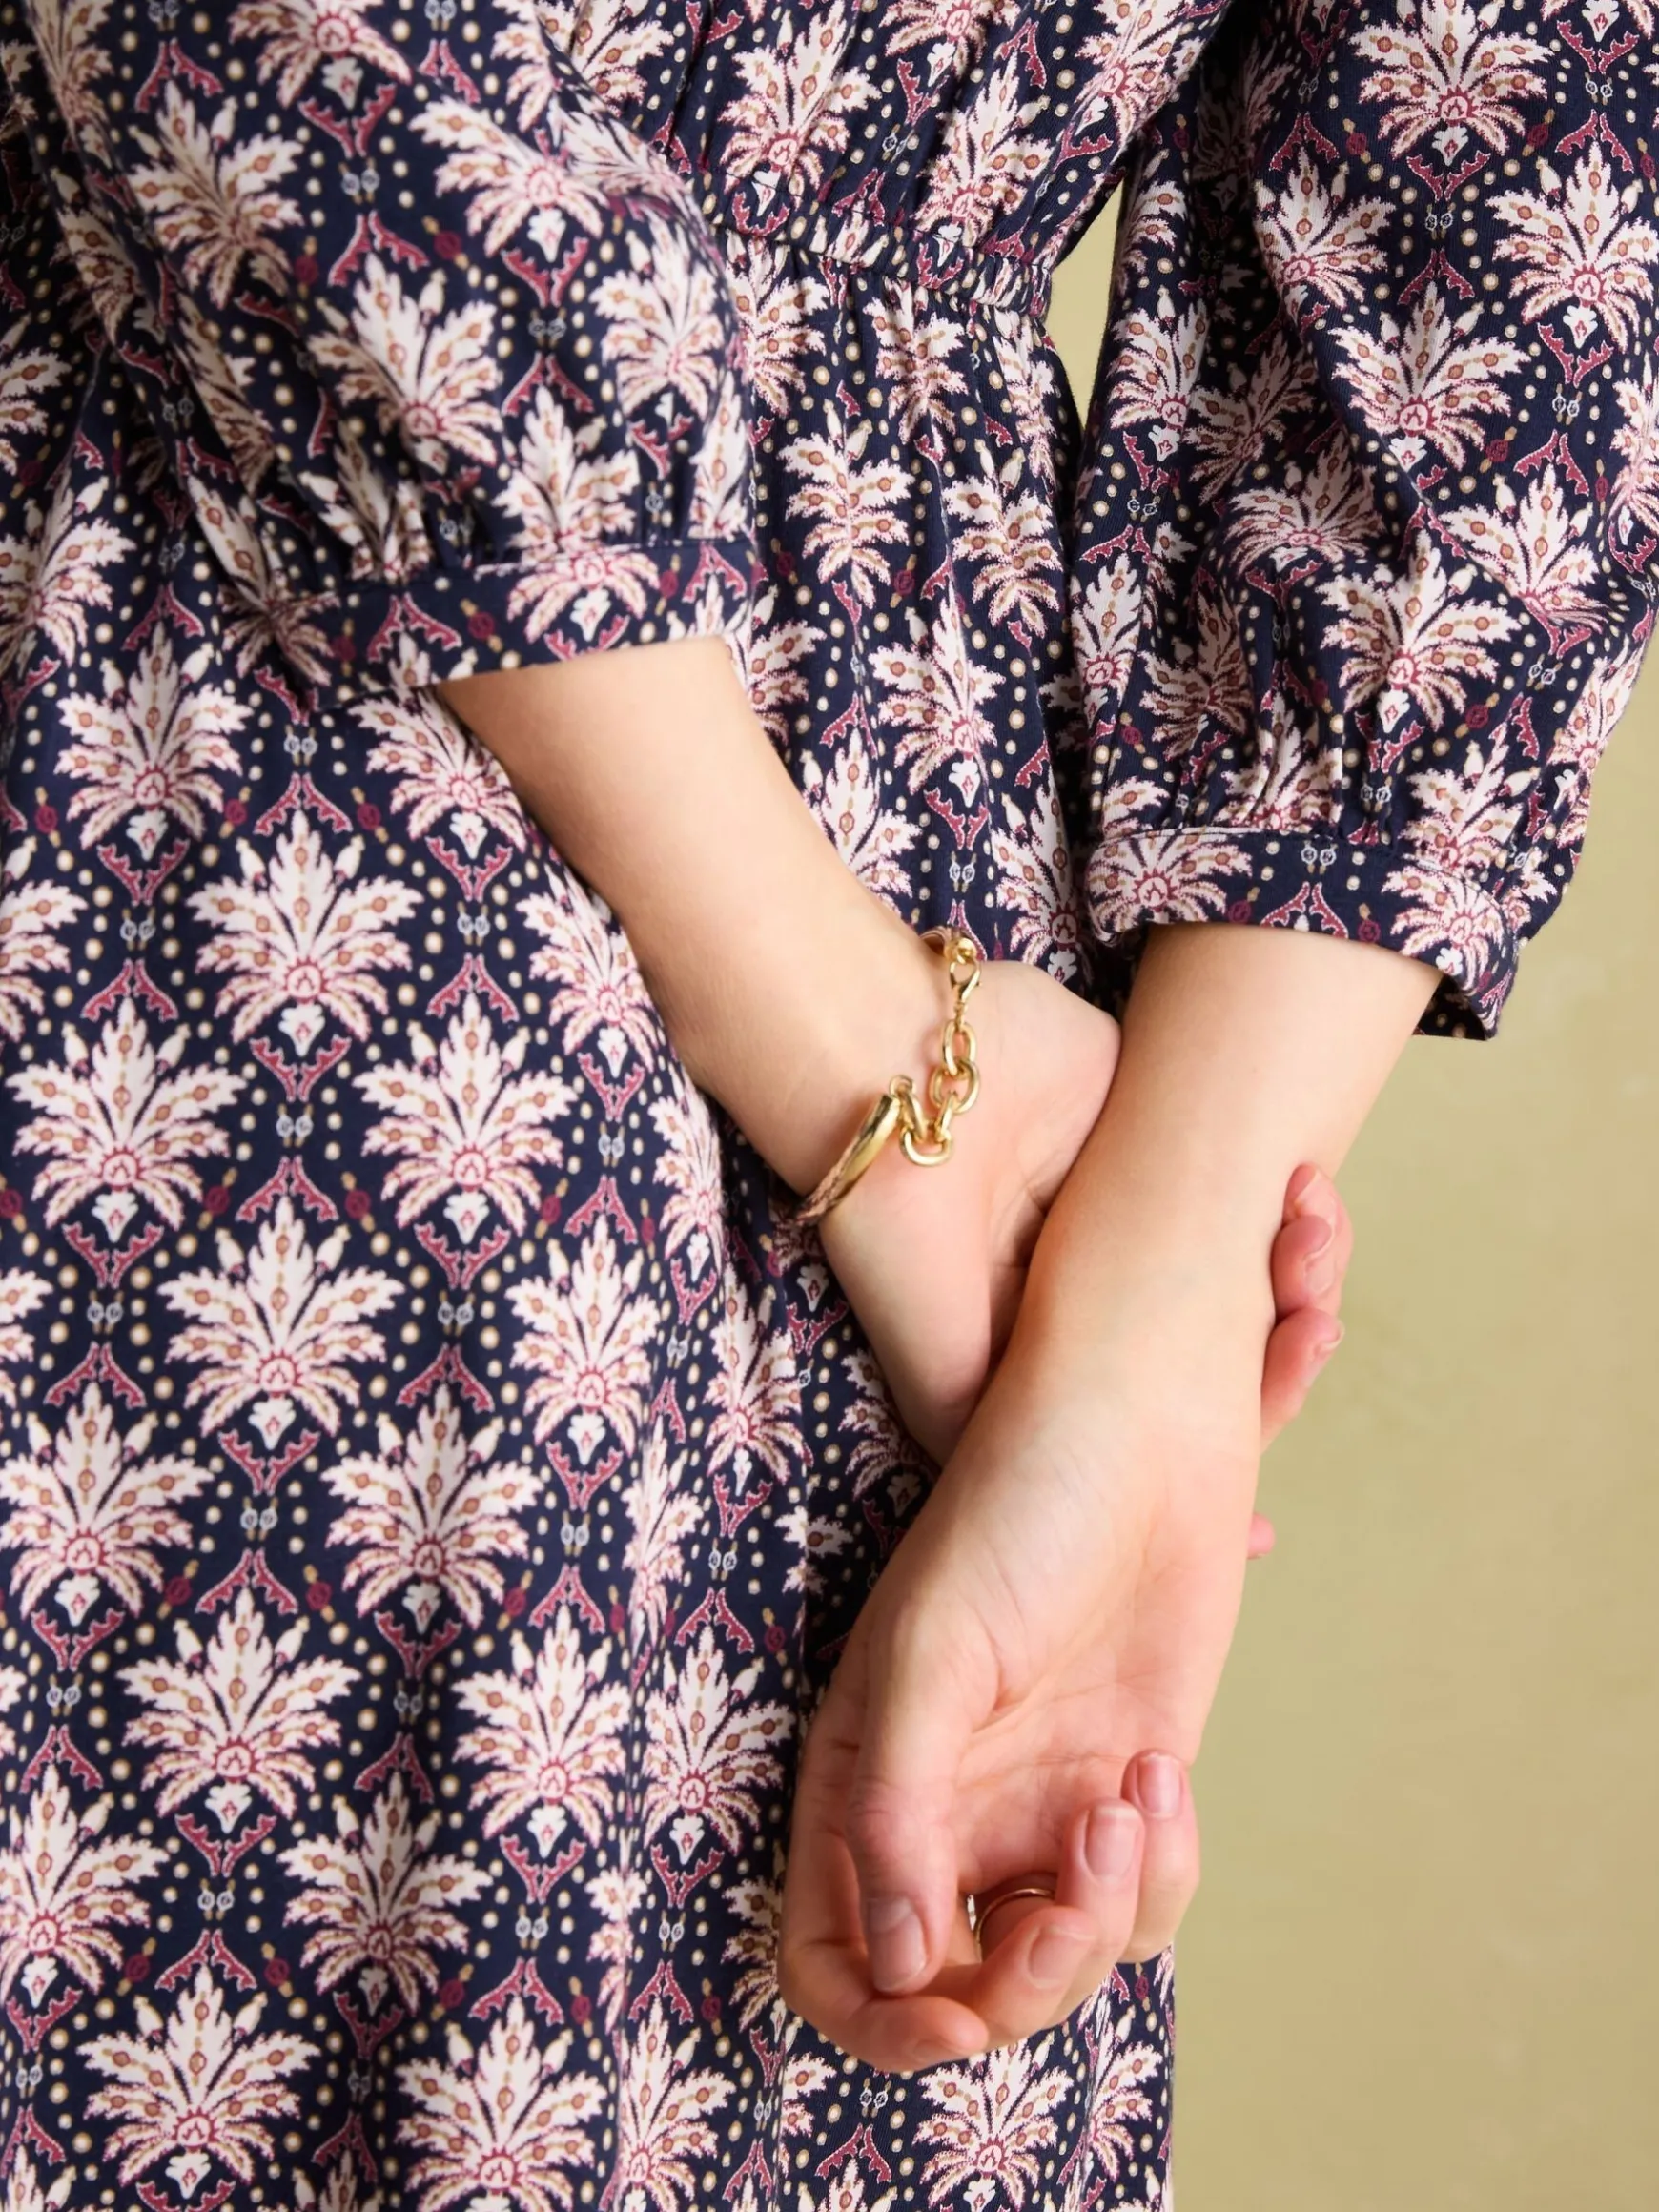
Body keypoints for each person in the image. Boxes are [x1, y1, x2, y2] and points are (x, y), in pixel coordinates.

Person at [0, 4, 1646, 2210]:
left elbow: (1496, 228)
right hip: (199, 739)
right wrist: (913, 1093)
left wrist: (1139, 1324)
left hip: (907, 1023)